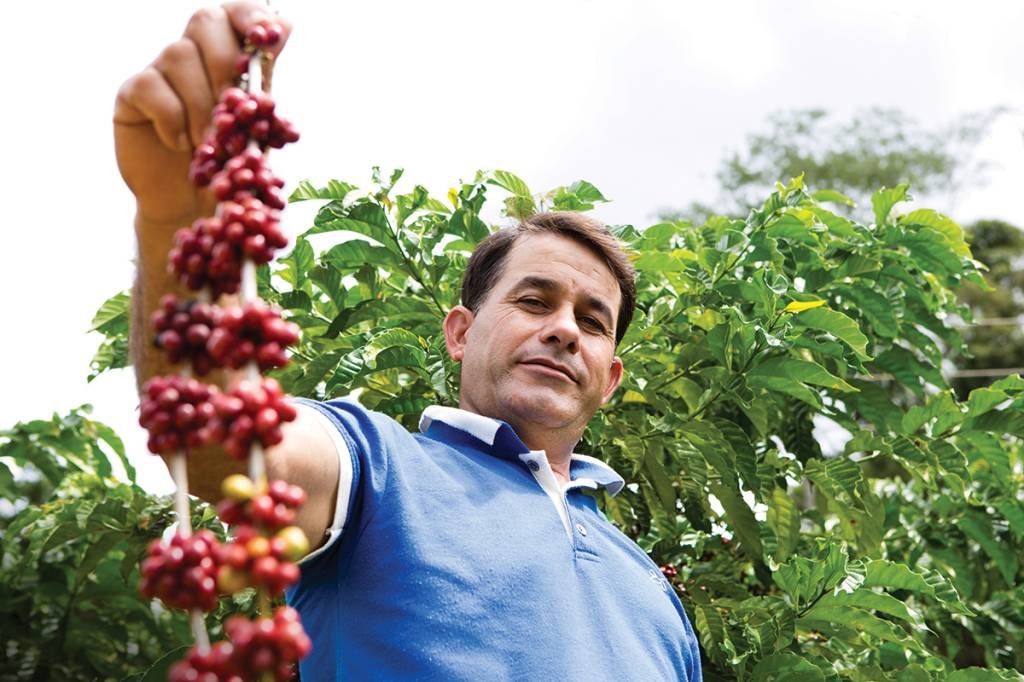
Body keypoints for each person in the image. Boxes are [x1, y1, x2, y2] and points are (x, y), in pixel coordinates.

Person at [114, 3, 702, 679]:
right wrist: (179, 226)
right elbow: (233, 446)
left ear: (611, 375)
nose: (565, 329)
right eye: (533, 300)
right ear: (460, 332)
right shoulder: (377, 468)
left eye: (592, 322)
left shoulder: (654, 596)